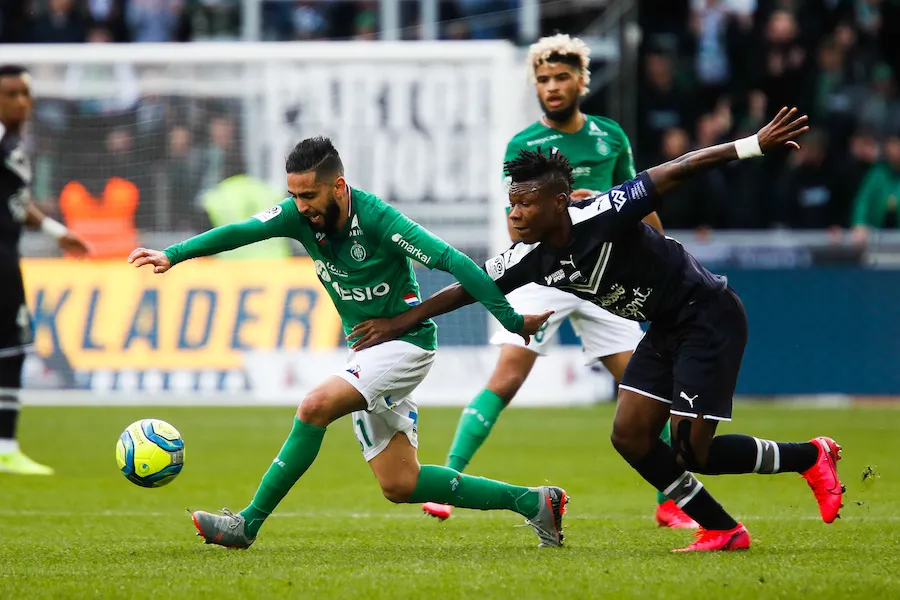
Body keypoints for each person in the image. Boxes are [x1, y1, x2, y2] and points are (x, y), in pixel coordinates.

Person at [346, 108, 846, 552]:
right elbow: (468, 287)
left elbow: (681, 168)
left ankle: (810, 455)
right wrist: (399, 322)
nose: (514, 213)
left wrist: (752, 145)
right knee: (630, 435)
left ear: (560, 201)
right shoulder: (529, 258)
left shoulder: (603, 213)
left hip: (707, 314)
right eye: (511, 203)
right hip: (666, 326)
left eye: (524, 204)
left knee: (695, 451)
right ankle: (723, 529)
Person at [128, 136, 567, 549]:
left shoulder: (378, 219)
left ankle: (247, 524)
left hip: (407, 346)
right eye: (294, 196)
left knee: (315, 405)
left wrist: (509, 318)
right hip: (368, 352)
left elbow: (453, 260)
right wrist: (174, 254)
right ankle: (535, 502)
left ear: (338, 186)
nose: (300, 207)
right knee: (401, 483)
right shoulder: (298, 216)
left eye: (309, 196)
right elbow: (241, 231)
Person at [411, 32, 696, 529]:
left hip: (605, 273)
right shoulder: (524, 145)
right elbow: (514, 223)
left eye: (561, 77)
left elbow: (641, 199)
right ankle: (449, 480)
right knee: (506, 378)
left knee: (644, 390)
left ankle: (671, 501)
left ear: (581, 81)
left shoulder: (610, 136)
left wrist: (661, 251)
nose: (552, 86)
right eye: (543, 79)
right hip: (546, 272)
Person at [0, 65, 90, 475]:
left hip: (8, 255)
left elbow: (19, 203)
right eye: (12, 93)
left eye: (25, 92)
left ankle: (5, 446)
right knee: (12, 347)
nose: (22, 101)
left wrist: (58, 232)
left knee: (13, 347)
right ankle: (5, 445)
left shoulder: (13, 140)